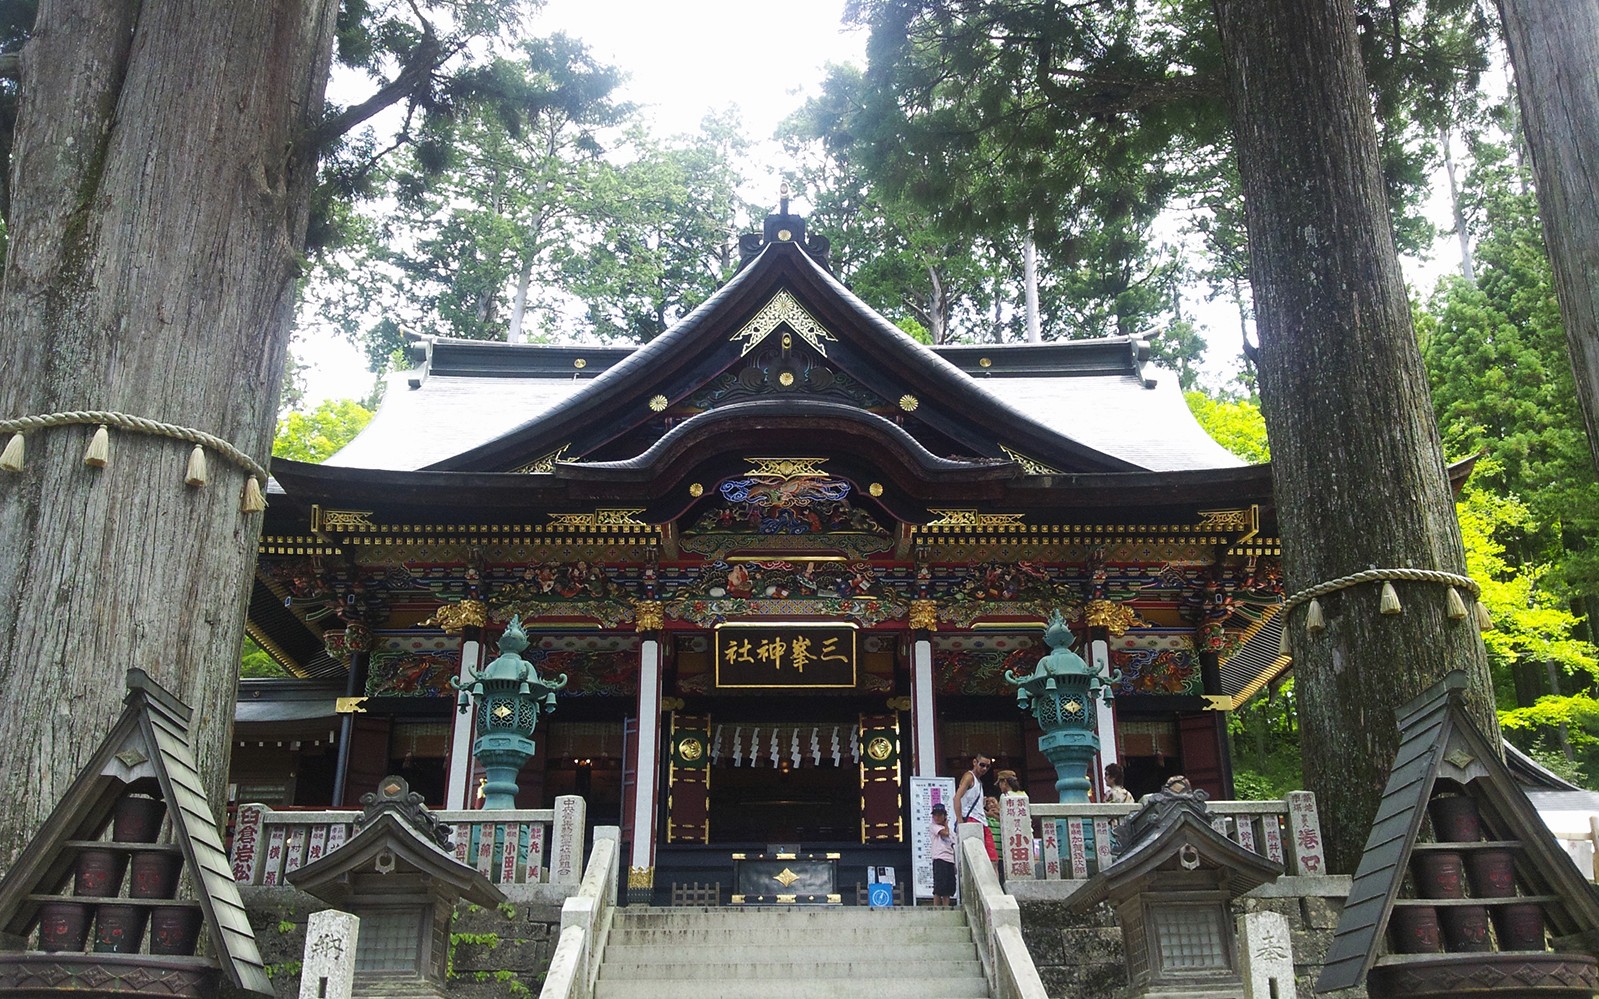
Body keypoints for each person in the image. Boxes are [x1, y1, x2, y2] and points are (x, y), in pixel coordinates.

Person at [955, 753, 999, 863]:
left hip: (982, 821)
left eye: (987, 766)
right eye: (982, 765)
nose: (984, 769)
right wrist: (960, 820)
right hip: (971, 820)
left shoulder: (979, 781)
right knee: (977, 859)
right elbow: (956, 798)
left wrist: (989, 814)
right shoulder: (969, 777)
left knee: (993, 859)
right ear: (975, 762)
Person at [929, 802, 956, 906]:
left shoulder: (951, 831)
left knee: (948, 888)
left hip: (949, 859)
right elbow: (945, 833)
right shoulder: (933, 827)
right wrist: (945, 824)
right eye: (935, 815)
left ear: (944, 815)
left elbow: (953, 844)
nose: (937, 817)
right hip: (940, 858)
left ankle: (946, 907)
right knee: (939, 886)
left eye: (940, 815)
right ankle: (936, 908)